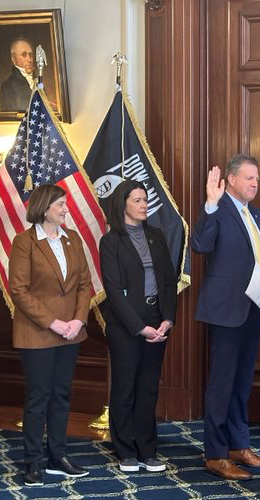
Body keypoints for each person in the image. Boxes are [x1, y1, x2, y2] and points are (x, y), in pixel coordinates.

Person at [191, 154, 260, 480]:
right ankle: (216, 454)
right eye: (249, 178)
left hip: (253, 306)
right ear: (231, 179)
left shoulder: (256, 214)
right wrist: (208, 204)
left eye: (257, 179)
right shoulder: (217, 209)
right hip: (225, 311)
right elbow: (200, 245)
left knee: (241, 383)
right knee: (221, 385)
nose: (255, 183)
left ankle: (238, 445)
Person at [8, 184, 92, 486]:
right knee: (38, 397)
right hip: (37, 333)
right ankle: (32, 461)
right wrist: (53, 322)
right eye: (60, 205)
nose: (66, 209)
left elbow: (84, 284)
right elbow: (18, 289)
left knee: (61, 395)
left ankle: (57, 456)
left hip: (71, 333)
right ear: (44, 209)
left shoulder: (73, 240)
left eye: (66, 203)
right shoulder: (24, 242)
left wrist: (78, 320)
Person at [99, 180, 178, 473]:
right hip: (126, 326)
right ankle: (125, 451)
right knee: (125, 387)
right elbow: (113, 289)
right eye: (137, 200)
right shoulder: (111, 241)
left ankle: (148, 449)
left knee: (148, 388)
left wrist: (167, 320)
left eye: (145, 199)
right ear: (123, 205)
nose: (144, 204)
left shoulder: (156, 236)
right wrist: (139, 328)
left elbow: (169, 283)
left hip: (158, 322)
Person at [0, 37, 34, 111]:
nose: (29, 59)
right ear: (14, 59)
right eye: (24, 55)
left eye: (30, 54)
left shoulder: (38, 80)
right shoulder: (7, 86)